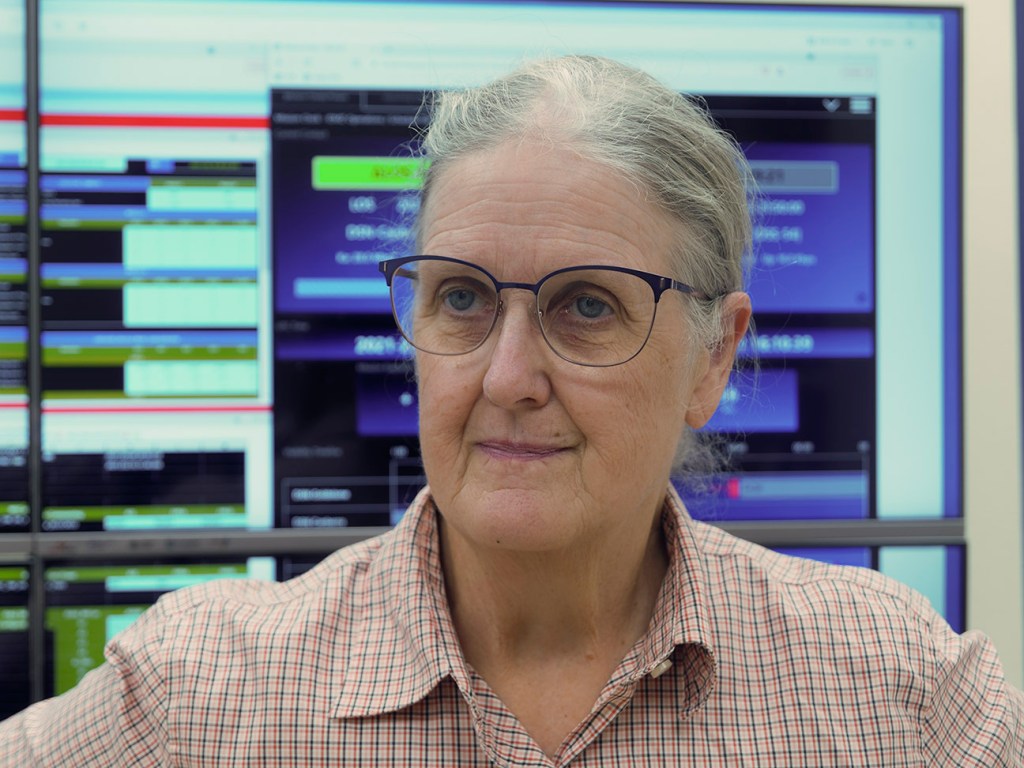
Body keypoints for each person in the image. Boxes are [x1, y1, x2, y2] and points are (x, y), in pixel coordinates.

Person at [2, 54, 1022, 767]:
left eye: (587, 306)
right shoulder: (201, 692)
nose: (504, 377)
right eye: (460, 298)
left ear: (712, 358)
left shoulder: (899, 688)